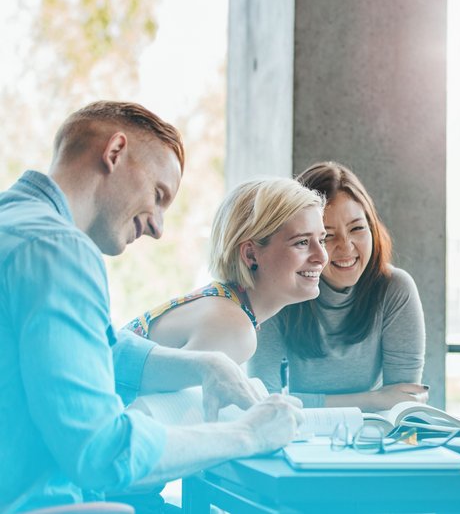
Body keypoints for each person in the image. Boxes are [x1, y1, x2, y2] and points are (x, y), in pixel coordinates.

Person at [0, 101, 305, 512]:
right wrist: (248, 433)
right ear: (115, 153)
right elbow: (101, 452)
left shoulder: (16, 226)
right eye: (158, 195)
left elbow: (101, 351)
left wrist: (206, 365)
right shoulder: (58, 249)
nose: (159, 228)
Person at [249, 161, 427, 410]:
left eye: (357, 228)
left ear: (373, 228)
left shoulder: (395, 288)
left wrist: (381, 403)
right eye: (328, 236)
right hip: (296, 434)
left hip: (370, 437)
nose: (346, 247)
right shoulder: (276, 290)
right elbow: (264, 400)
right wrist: (373, 399)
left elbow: (403, 400)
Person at [125, 177, 328, 364]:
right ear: (250, 255)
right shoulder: (233, 328)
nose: (322, 257)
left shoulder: (225, 304)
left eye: (322, 240)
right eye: (302, 242)